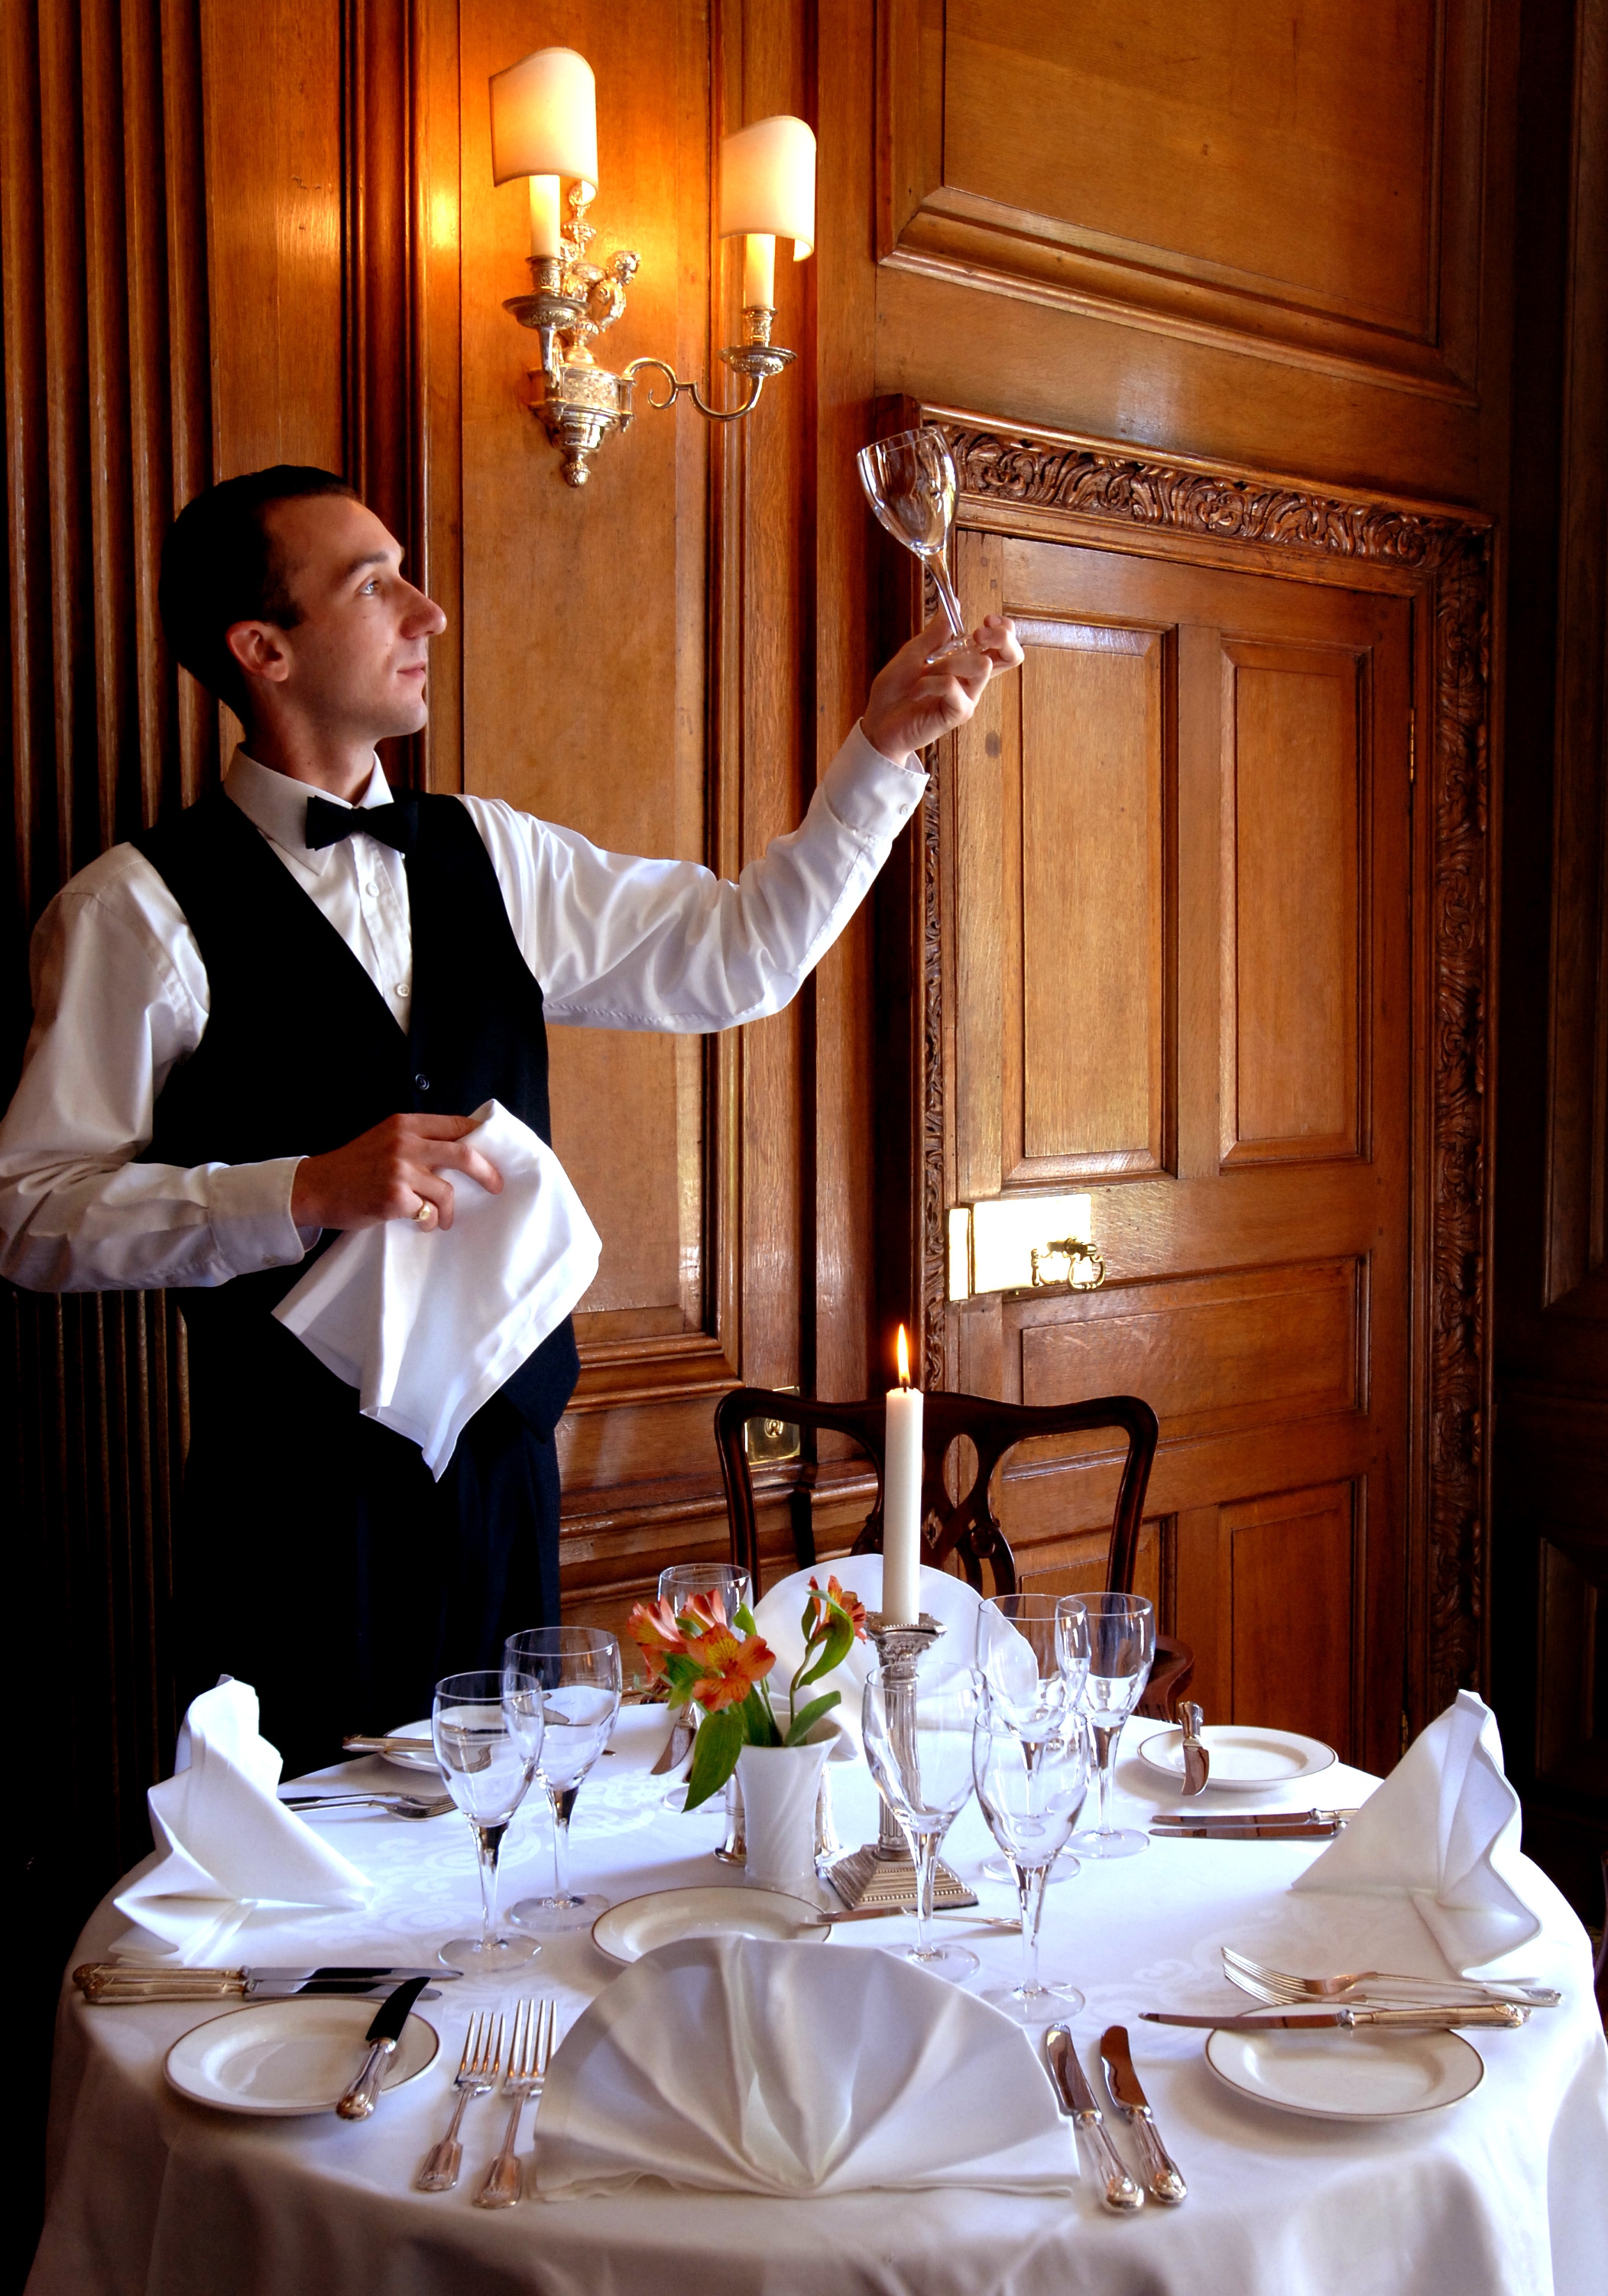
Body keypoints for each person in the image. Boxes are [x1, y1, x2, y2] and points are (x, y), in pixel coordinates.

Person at [0, 465, 1020, 1771]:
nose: (427, 612)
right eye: (374, 584)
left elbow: (741, 959)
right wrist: (299, 1189)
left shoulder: (496, 853)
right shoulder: (133, 912)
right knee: (311, 1935)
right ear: (263, 650)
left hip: (508, 1499)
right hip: (294, 1524)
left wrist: (878, 755)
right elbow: (33, 1219)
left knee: (509, 1887)